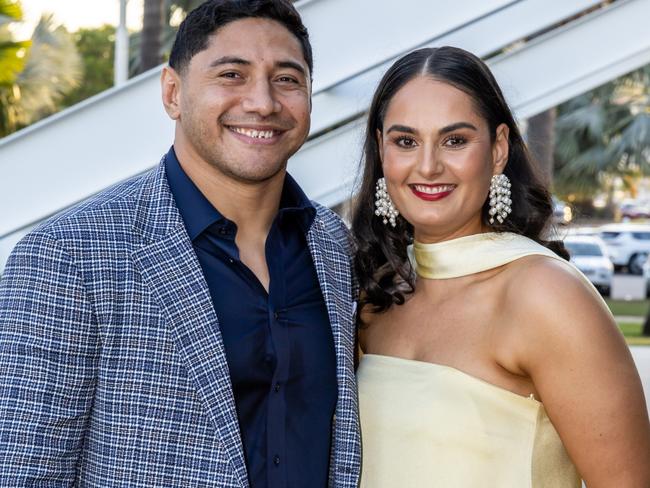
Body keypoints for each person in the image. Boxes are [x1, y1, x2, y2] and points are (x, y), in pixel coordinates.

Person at [0, 1, 361, 486]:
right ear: (173, 92)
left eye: (287, 79)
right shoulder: (67, 255)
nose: (263, 102)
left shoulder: (333, 246)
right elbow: (22, 470)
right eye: (232, 74)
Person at [352, 46, 650, 487]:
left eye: (455, 140)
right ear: (382, 149)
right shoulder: (371, 292)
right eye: (406, 141)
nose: (428, 165)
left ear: (497, 149)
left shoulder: (545, 294)